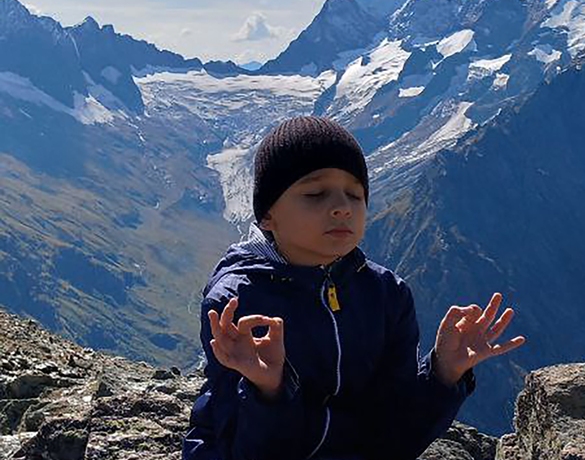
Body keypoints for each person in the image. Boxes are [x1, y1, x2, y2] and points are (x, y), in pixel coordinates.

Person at [182, 116, 526, 460]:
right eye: (315, 194)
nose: (342, 208)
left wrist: (444, 374)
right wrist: (268, 390)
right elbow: (235, 444)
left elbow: (395, 435)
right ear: (267, 215)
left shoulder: (386, 295)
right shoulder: (238, 302)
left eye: (355, 194)